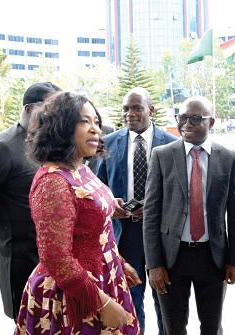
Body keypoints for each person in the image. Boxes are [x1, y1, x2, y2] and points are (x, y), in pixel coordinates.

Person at [15, 91, 141, 334]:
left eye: (96, 121)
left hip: (103, 278)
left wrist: (118, 263)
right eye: (84, 121)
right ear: (61, 128)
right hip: (74, 296)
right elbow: (56, 257)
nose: (96, 129)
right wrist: (102, 302)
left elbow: (87, 225)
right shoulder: (53, 182)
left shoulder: (79, 167)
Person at [143, 96, 235, 335]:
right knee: (174, 327)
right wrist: (154, 264)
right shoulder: (162, 155)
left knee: (212, 327)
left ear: (212, 122)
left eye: (196, 118)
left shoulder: (227, 157)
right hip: (171, 259)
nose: (187, 124)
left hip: (213, 257)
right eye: (183, 117)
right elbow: (151, 213)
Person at [0, 82, 61, 319]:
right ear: (30, 110)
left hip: (55, 258)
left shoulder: (48, 142)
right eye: (50, 109)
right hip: (22, 261)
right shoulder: (1, 149)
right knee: (28, 322)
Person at [97, 87, 176, 334]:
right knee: (130, 302)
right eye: (125, 109)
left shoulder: (173, 145)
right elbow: (99, 187)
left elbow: (178, 193)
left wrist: (154, 210)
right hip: (124, 236)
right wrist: (112, 204)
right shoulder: (108, 144)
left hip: (161, 237)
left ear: (150, 110)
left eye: (137, 108)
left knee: (166, 302)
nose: (130, 113)